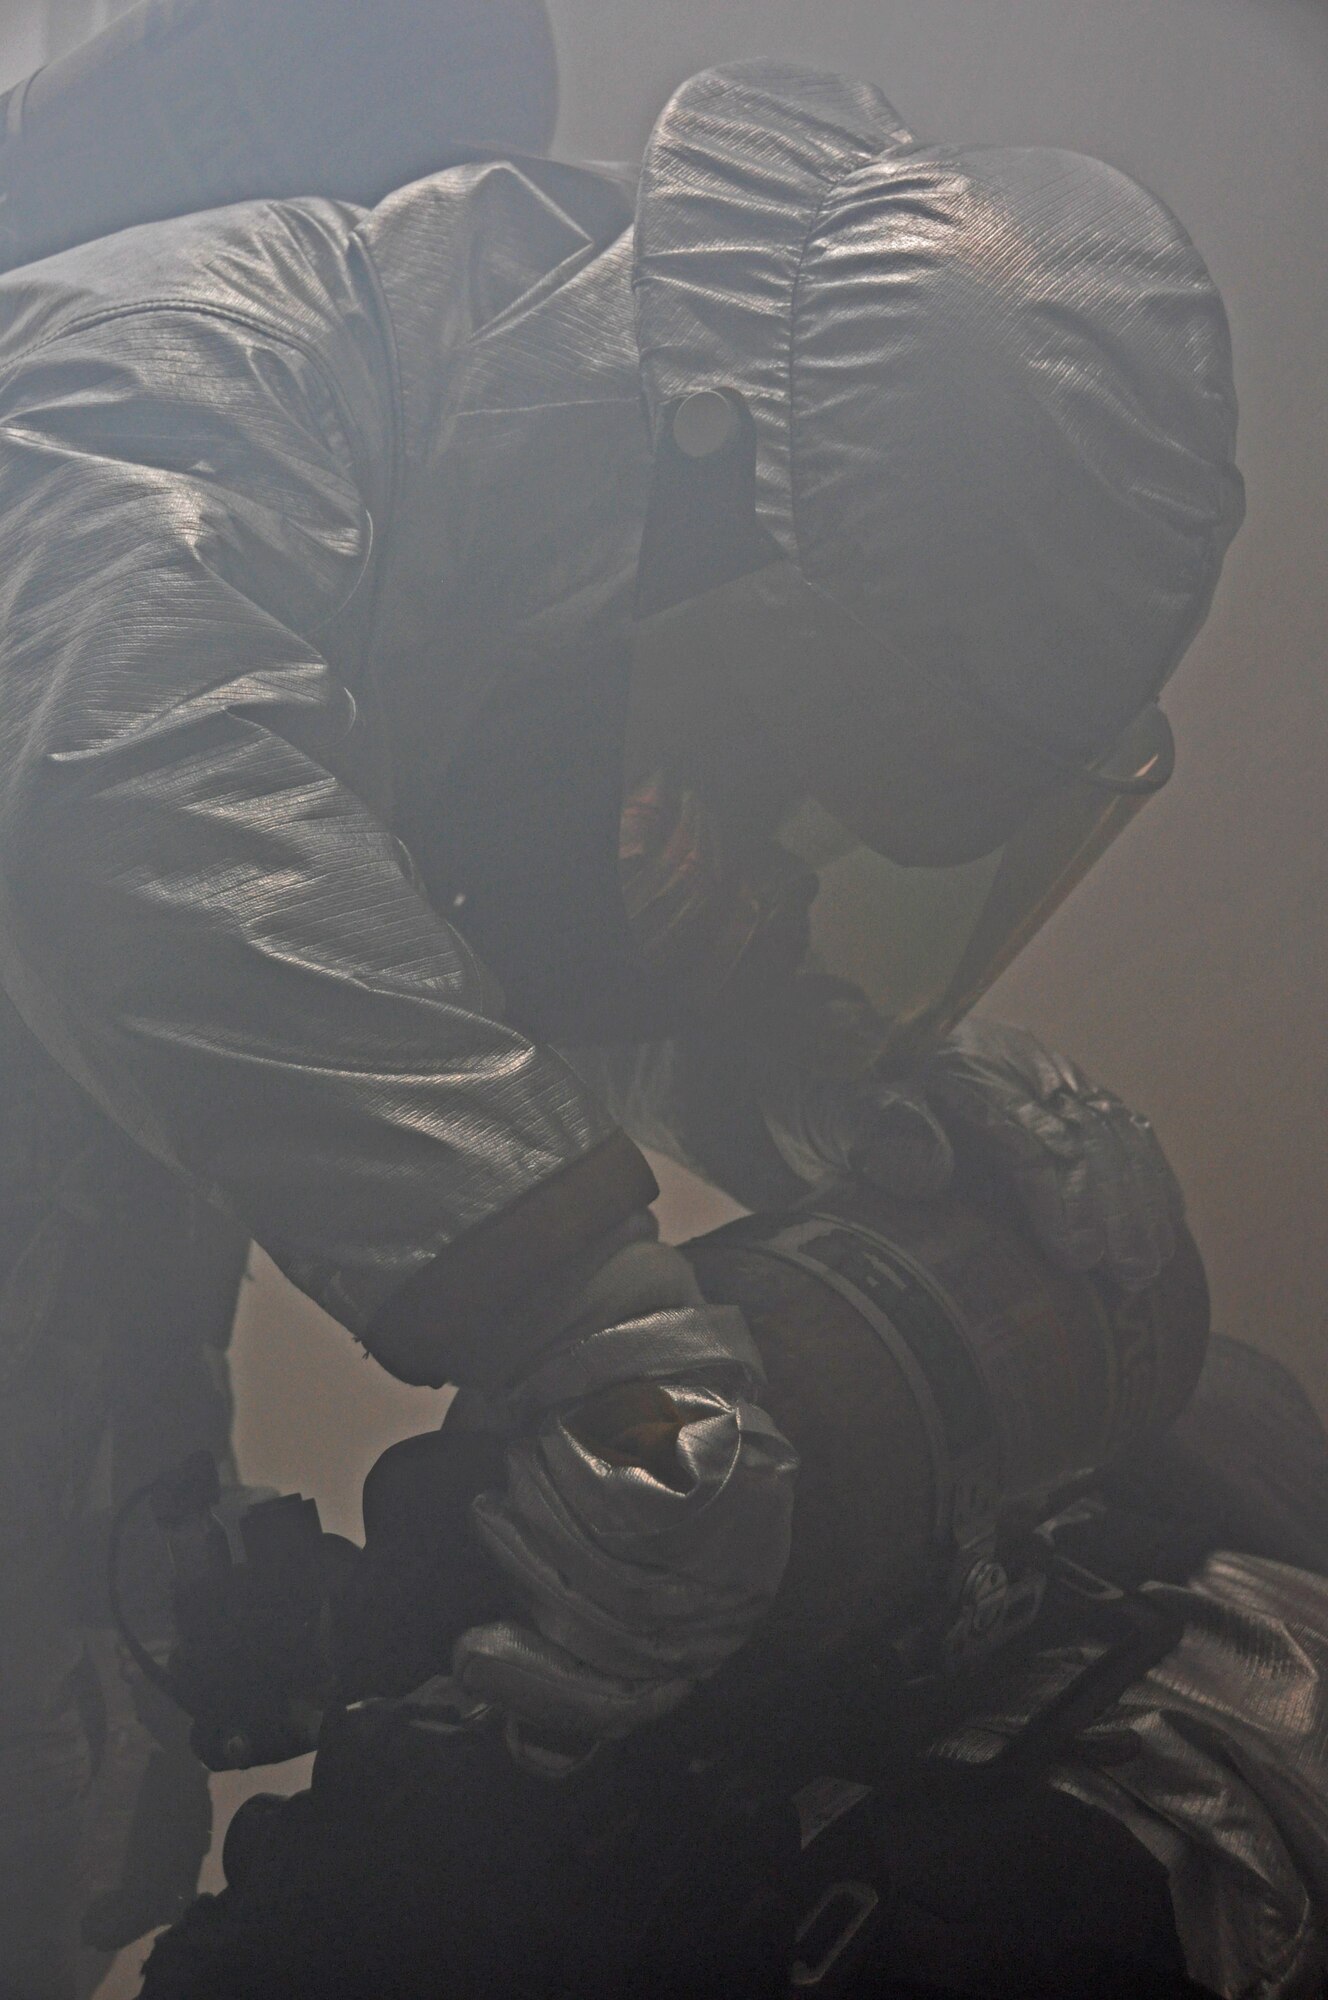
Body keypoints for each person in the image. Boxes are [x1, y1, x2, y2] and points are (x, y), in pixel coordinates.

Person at [0, 41, 1245, 1999]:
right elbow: (121, 799)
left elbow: (502, 955)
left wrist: (853, 1098)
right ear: (738, 547)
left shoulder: (522, 545)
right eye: (800, 771)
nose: (761, 854)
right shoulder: (173, 388)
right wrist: (587, 1318)